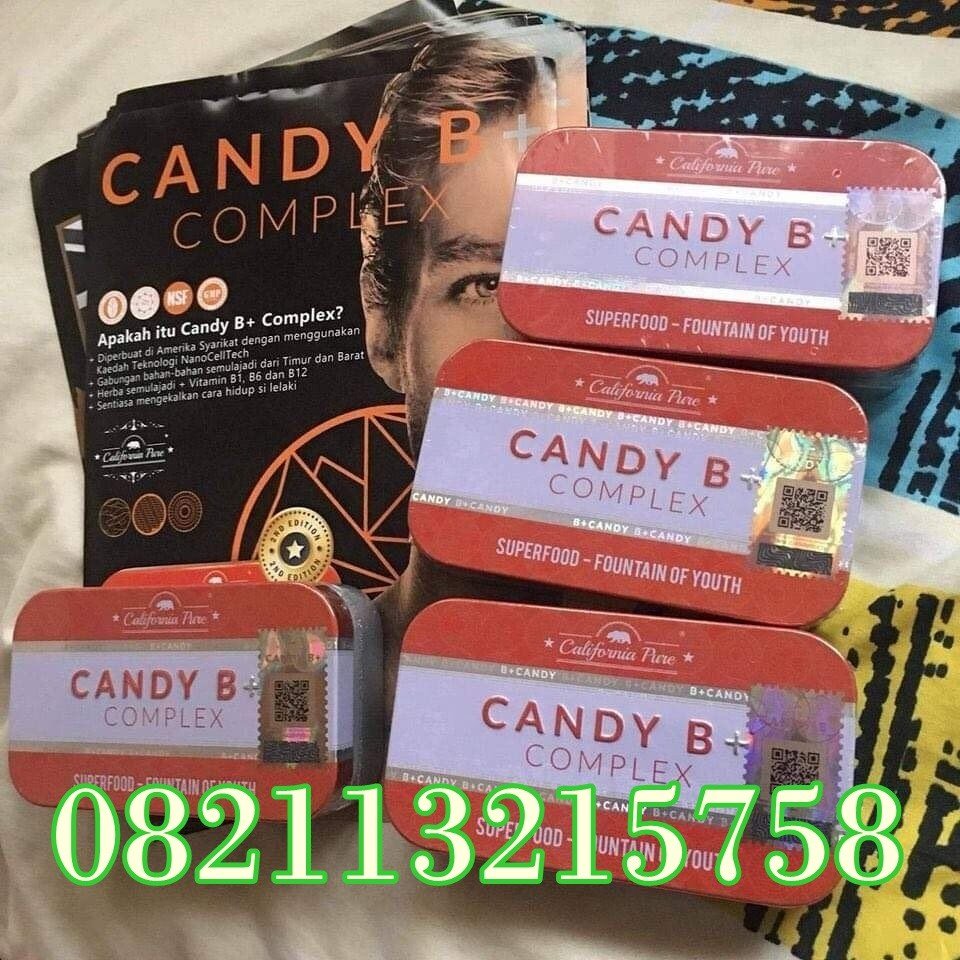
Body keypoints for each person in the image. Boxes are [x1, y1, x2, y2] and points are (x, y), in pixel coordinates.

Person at [358, 38, 567, 702]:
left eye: (580, 291)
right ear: (385, 326)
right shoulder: (312, 683)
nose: (536, 346)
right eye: (484, 285)